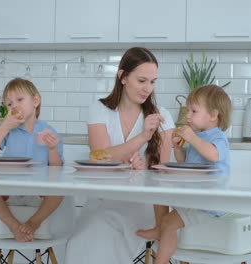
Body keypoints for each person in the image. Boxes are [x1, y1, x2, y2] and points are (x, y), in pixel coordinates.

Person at [64, 47, 175, 264]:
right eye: (142, 80)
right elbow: (100, 157)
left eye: (152, 82)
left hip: (143, 204)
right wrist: (143, 136)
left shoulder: (162, 116)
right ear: (123, 76)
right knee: (82, 238)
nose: (147, 89)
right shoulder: (100, 109)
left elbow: (163, 176)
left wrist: (143, 172)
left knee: (104, 235)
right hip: (103, 200)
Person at [139, 84, 232, 264]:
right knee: (162, 205)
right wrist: (177, 146)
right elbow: (184, 161)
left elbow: (213, 155)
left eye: (194, 111)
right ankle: (159, 230)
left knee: (169, 223)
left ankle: (161, 259)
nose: (187, 115)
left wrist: (192, 138)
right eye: (188, 110)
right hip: (194, 198)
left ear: (213, 115)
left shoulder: (218, 138)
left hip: (208, 202)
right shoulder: (200, 136)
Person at [0, 78, 64, 242]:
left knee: (60, 191)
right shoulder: (9, 131)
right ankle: (14, 227)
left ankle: (34, 222)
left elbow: (57, 168)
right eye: (9, 104)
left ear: (35, 101)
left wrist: (52, 149)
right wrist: (4, 127)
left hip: (40, 189)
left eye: (20, 100)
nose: (15, 106)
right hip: (10, 186)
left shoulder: (48, 131)